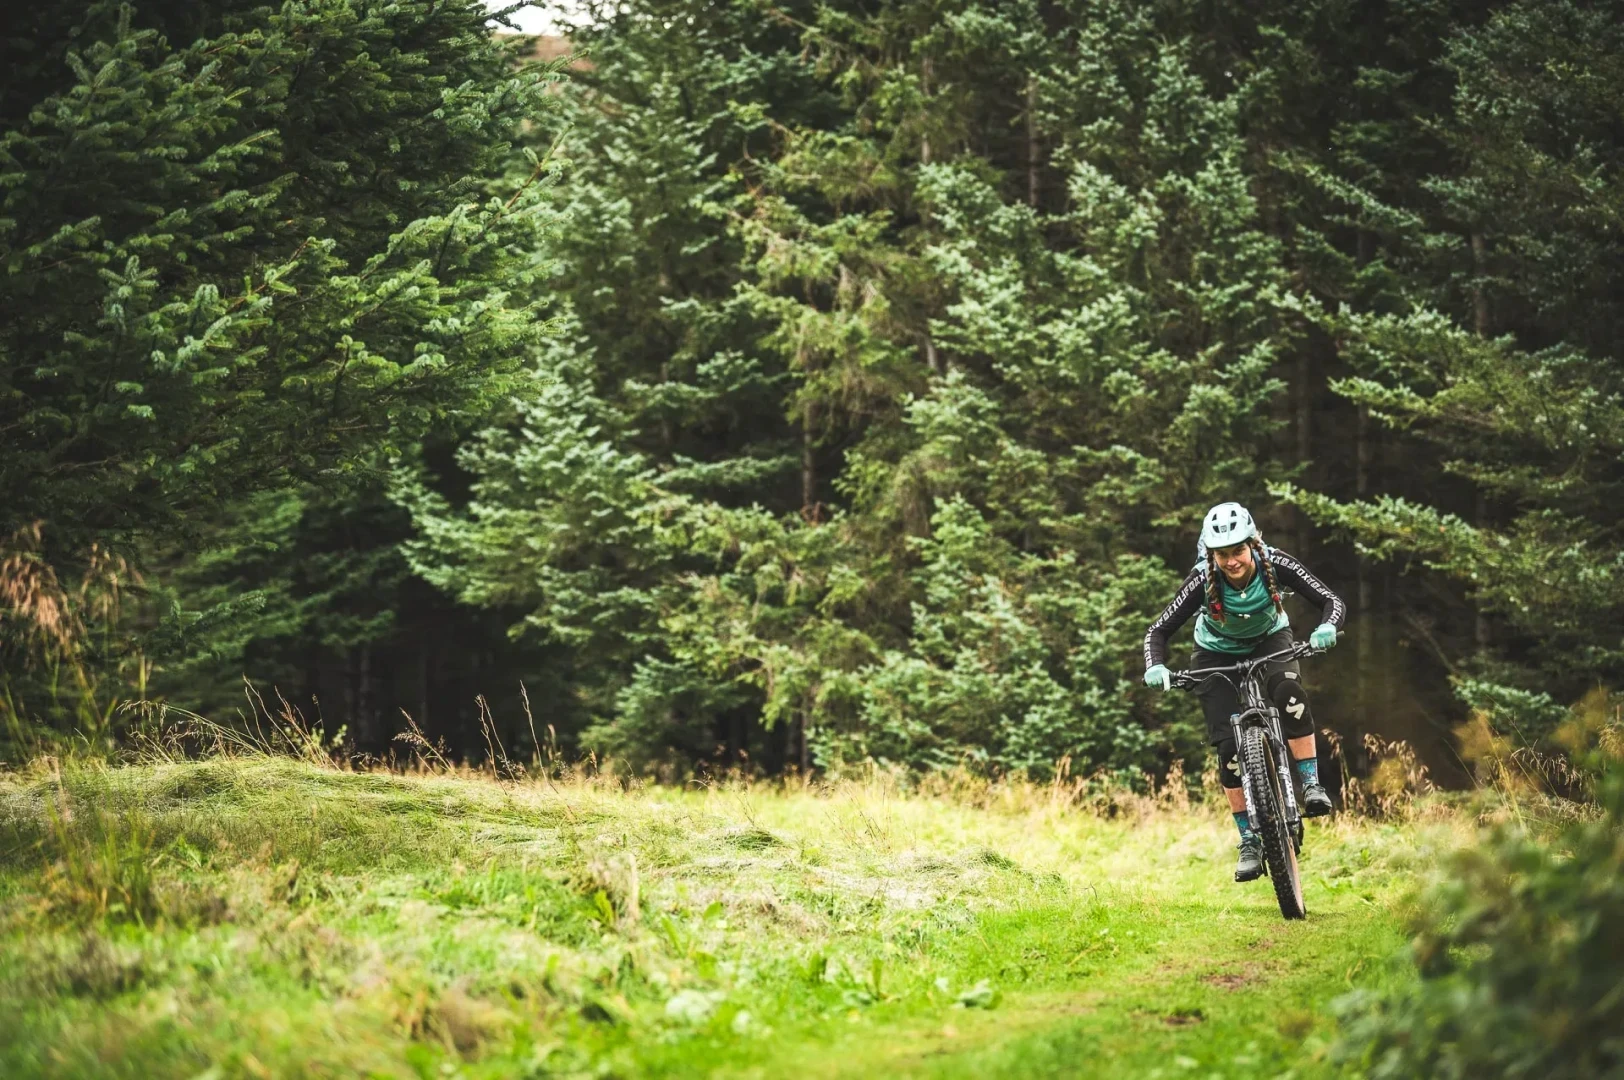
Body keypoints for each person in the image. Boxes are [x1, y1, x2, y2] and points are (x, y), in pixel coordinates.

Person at [1142, 502, 1346, 883]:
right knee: (1227, 748)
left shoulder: (1277, 563)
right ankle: (1250, 840)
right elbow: (1158, 631)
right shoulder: (1201, 580)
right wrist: (1155, 666)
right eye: (1223, 554)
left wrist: (1327, 628)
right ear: (1211, 554)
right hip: (1213, 653)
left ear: (1252, 544)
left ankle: (1312, 784)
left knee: (1289, 692)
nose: (1232, 560)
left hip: (1270, 640)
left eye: (1238, 550)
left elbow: (1331, 601)